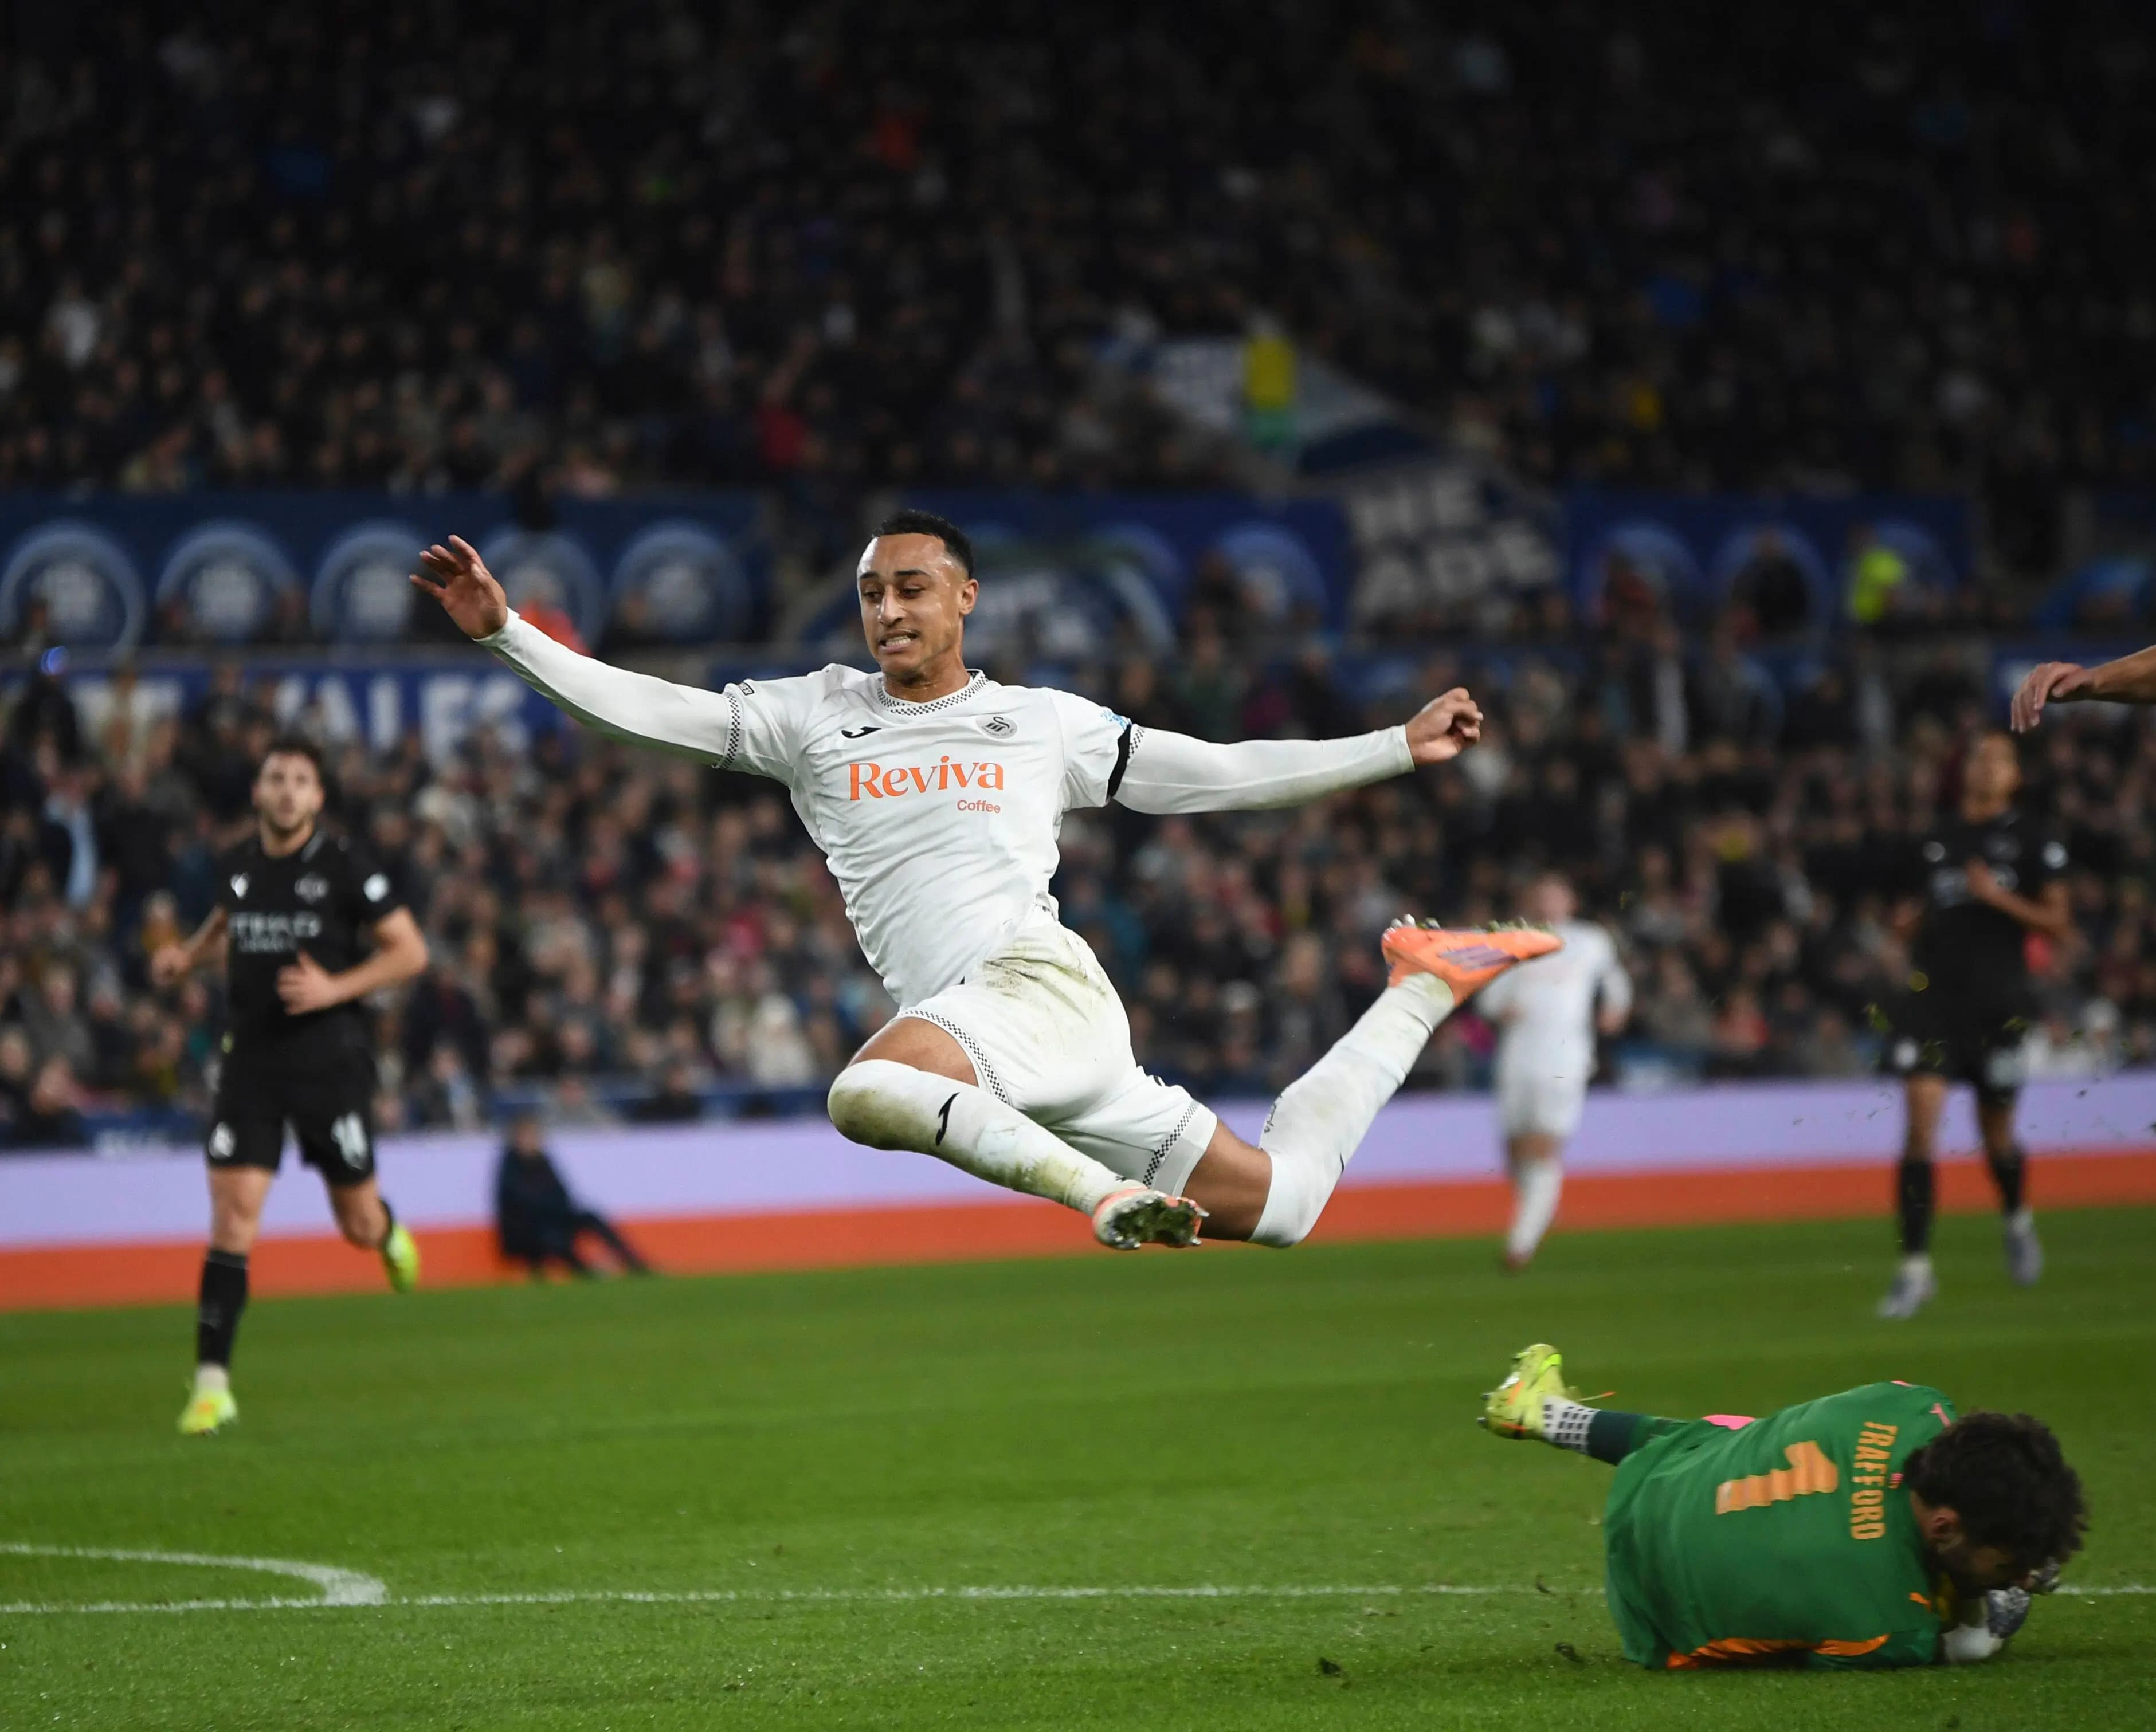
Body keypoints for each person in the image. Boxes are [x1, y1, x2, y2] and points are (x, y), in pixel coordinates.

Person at [413, 514, 1557, 1254]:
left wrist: (1393, 745)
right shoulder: (817, 713)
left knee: (864, 1093)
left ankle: (1098, 1198)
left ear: (966, 600)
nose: (889, 610)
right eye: (871, 592)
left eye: (912, 587)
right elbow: (657, 708)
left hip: (1028, 984)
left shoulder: (1040, 722)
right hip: (1011, 1042)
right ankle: (1423, 979)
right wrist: (510, 632)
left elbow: (1217, 774)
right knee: (1288, 1203)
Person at [1480, 1344, 2084, 1670]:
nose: (2018, 1575)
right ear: (1948, 1524)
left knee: (1756, 1439)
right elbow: (1956, 1640)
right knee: (1911, 1584)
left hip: (1662, 1484)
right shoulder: (1895, 1627)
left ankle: (1546, 1414)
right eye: (2007, 1563)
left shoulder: (1908, 1405)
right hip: (1653, 1621)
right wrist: (1998, 1609)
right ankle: (1544, 1414)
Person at [152, 736, 430, 1436]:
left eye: (299, 780)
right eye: (275, 777)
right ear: (257, 792)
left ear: (316, 798)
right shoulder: (238, 867)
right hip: (250, 1058)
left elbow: (410, 950)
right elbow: (228, 924)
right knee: (233, 1214)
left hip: (327, 1062)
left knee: (356, 1223)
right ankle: (212, 1386)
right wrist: (187, 955)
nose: (285, 790)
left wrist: (337, 985)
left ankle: (389, 1231)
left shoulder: (342, 864)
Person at [1876, 733, 2070, 1319]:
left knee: (1997, 1134)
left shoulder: (2035, 837)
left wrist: (1998, 897)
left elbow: (2058, 922)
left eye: (1999, 758)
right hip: (1933, 1000)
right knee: (1919, 1129)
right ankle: (1914, 1267)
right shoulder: (1935, 839)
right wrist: (1904, 927)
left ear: (2015, 775)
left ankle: (2015, 1215)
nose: (1987, 766)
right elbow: (1907, 917)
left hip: (1999, 1003)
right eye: (1979, 757)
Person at [1474, 872, 1630, 1270]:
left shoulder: (1589, 940)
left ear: (1570, 901)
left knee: (1544, 1145)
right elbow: (1487, 997)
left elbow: (1615, 980)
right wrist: (1498, 1010)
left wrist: (1614, 1008)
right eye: (1541, 896)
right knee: (1513, 1148)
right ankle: (1541, 1210)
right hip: (1516, 1057)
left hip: (1564, 1059)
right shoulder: (1515, 940)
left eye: (1555, 895)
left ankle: (1520, 1245)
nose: (1548, 903)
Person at [494, 1112, 650, 1278]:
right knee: (554, 1240)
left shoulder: (544, 1161)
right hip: (529, 1228)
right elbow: (521, 1202)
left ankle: (631, 1260)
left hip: (554, 1219)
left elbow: (561, 1193)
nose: (533, 1140)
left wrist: (555, 1209)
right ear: (516, 1138)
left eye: (535, 1135)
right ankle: (586, 1271)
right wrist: (551, 1207)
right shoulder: (510, 1166)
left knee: (591, 1217)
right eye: (528, 1135)